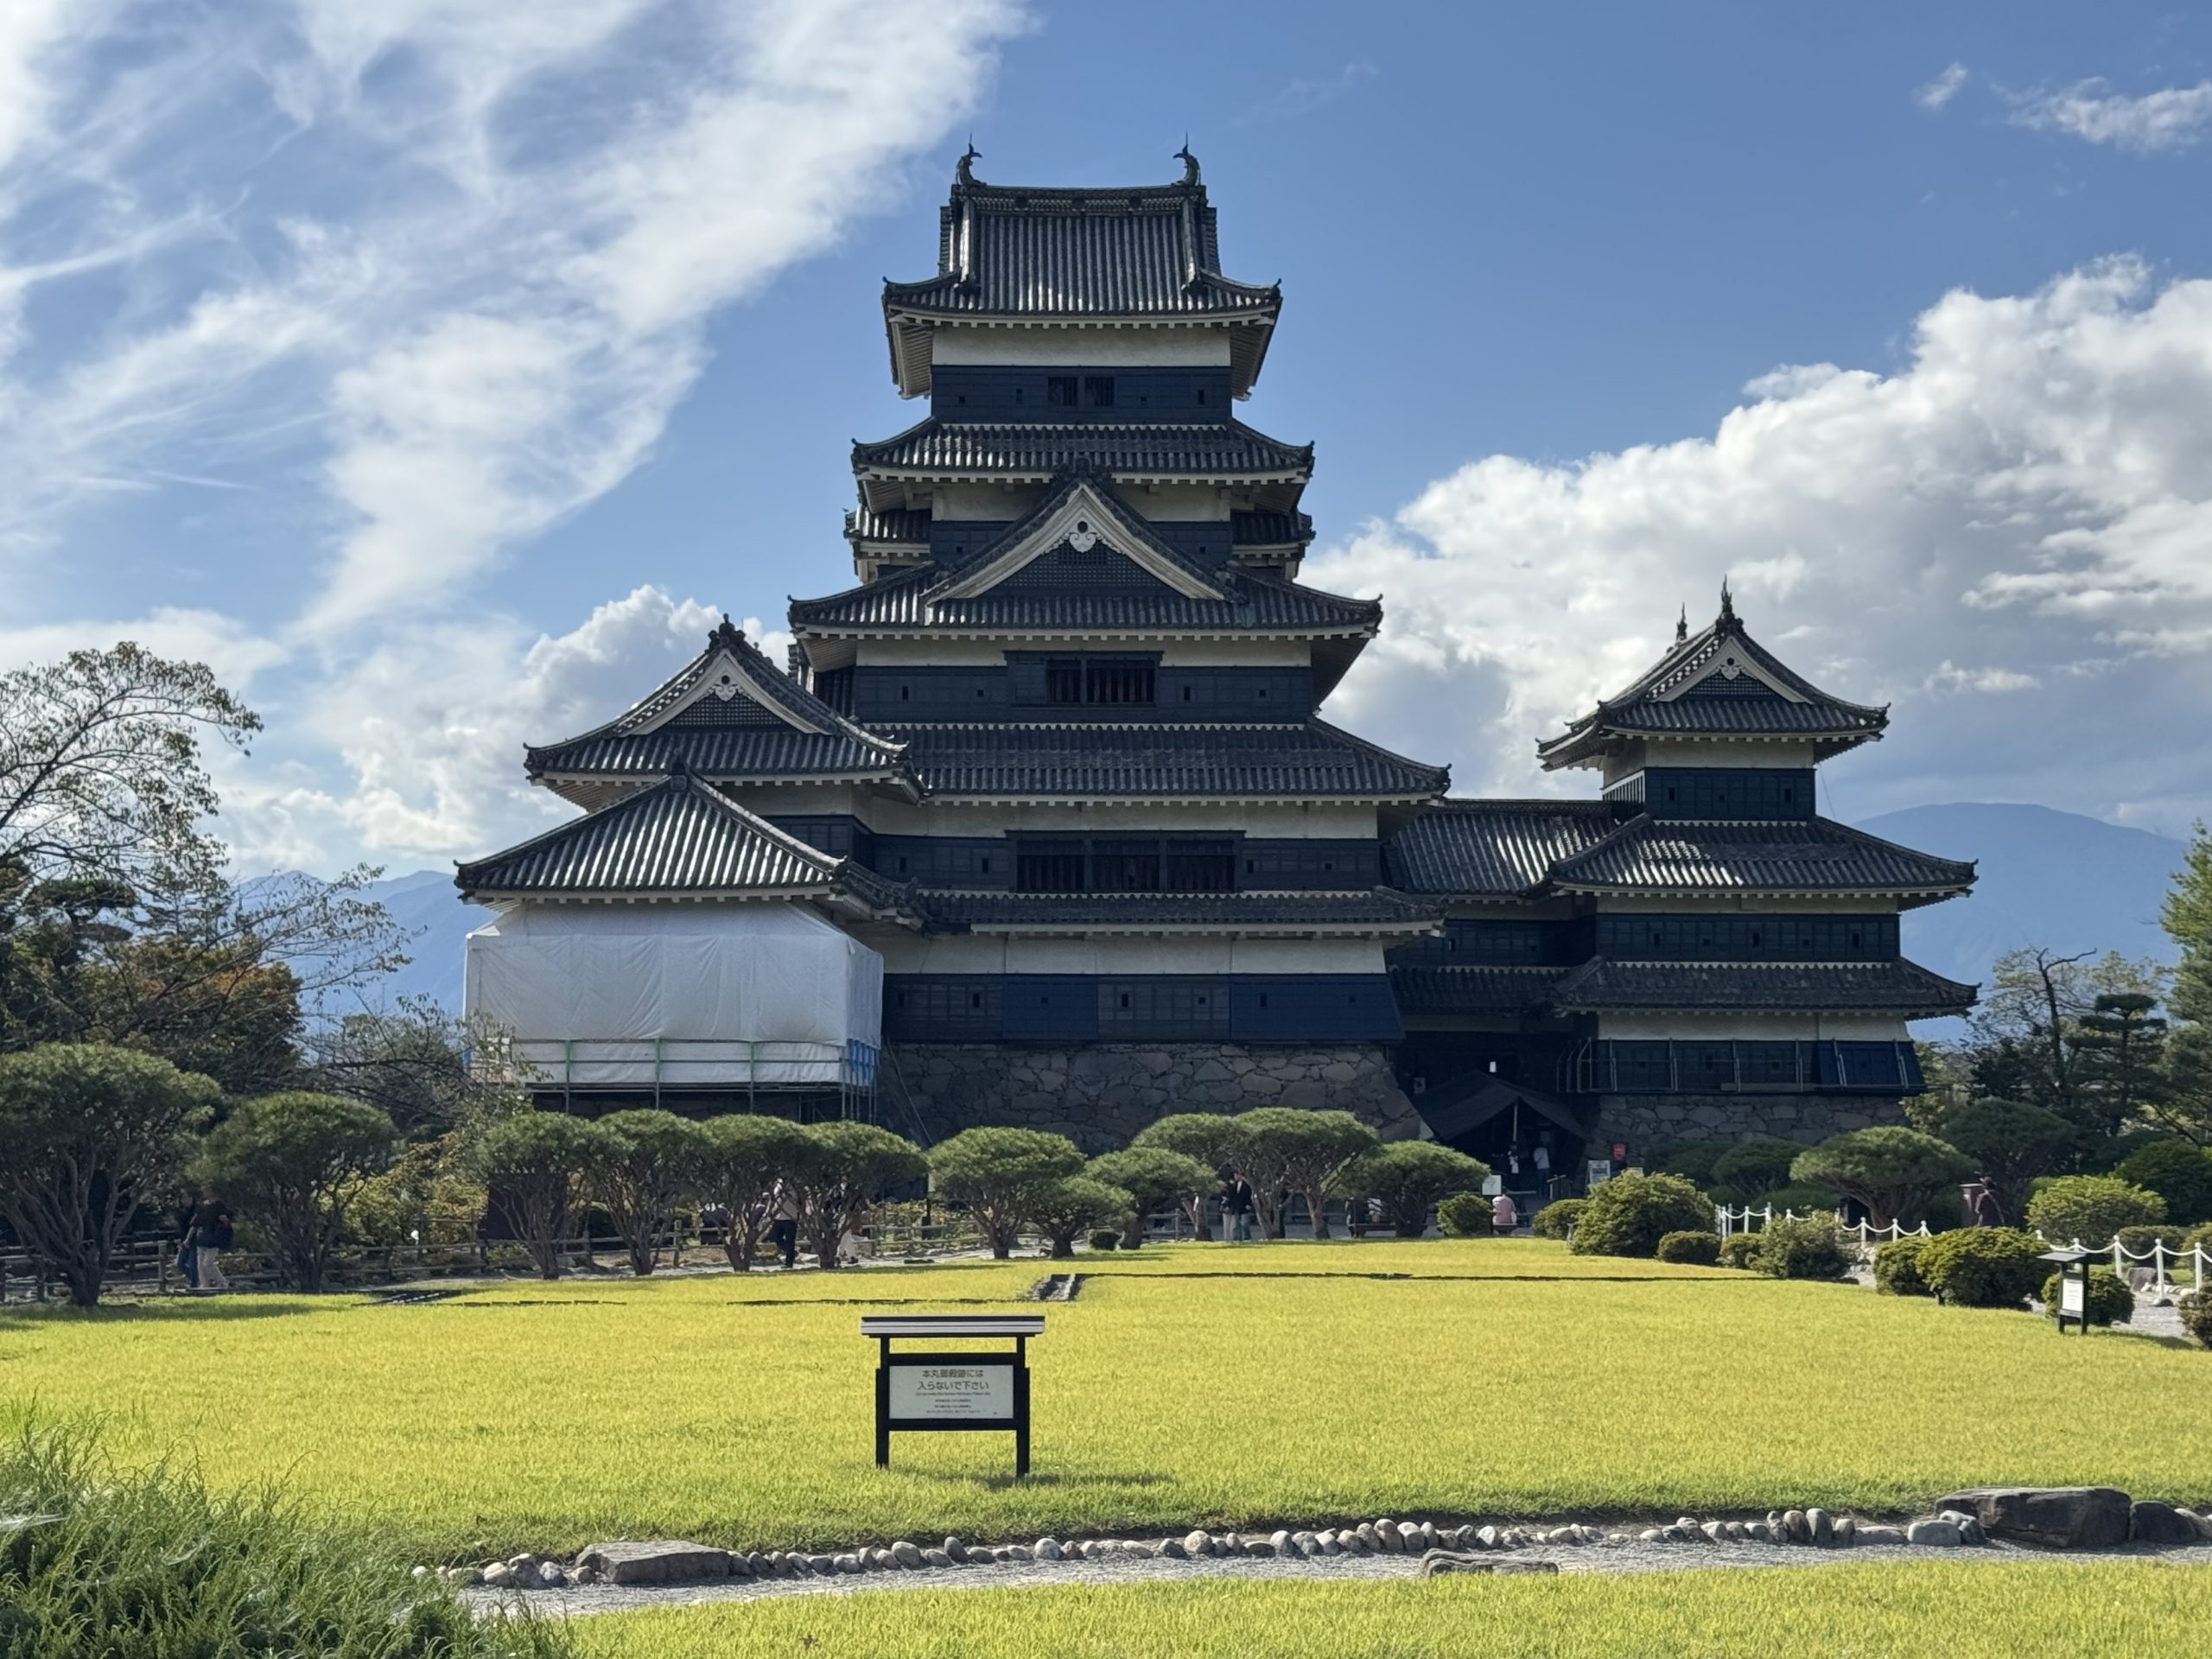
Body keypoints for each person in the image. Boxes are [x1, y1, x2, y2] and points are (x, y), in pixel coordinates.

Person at [189, 1192, 232, 1292]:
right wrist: (188, 1238)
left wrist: (224, 1220)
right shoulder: (201, 1206)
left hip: (213, 1237)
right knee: (200, 1263)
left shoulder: (219, 1205)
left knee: (208, 1262)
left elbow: (227, 1219)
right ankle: (204, 1284)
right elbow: (195, 1223)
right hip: (202, 1237)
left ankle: (222, 1281)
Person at [769, 1181, 800, 1270]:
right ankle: (791, 1252)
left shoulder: (795, 1186)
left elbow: (799, 1201)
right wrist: (770, 1211)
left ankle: (789, 1263)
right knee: (774, 1236)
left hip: (791, 1217)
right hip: (778, 1217)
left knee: (790, 1241)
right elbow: (773, 1199)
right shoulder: (777, 1185)